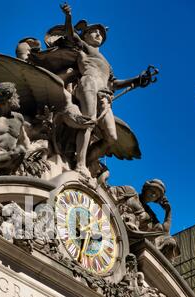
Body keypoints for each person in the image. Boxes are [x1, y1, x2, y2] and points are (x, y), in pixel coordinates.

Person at [60, 3, 152, 175]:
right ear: (85, 35)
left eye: (101, 33)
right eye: (95, 31)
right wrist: (68, 17)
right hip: (88, 84)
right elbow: (70, 34)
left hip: (105, 94)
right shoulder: (85, 48)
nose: (99, 35)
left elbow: (114, 83)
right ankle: (80, 165)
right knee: (88, 122)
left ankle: (84, 160)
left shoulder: (107, 63)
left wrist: (137, 80)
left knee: (111, 137)